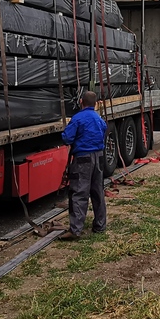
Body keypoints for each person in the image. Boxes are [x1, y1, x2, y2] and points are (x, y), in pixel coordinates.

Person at [59, 91, 108, 239]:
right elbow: (104, 131)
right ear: (96, 104)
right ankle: (100, 225)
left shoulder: (78, 118)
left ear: (81, 102)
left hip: (83, 159)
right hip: (99, 157)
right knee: (97, 191)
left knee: (80, 193)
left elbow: (67, 139)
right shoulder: (99, 119)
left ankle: (75, 230)